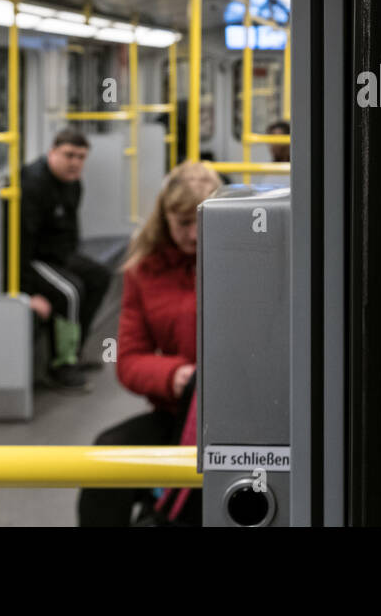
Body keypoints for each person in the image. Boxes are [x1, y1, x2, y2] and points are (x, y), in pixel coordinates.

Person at [77, 160, 222, 527]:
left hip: (233, 423)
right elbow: (129, 359)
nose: (193, 235)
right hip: (175, 414)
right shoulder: (144, 271)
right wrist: (173, 375)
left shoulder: (245, 263)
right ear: (165, 219)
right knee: (107, 456)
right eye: (183, 223)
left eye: (202, 221)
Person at [21, 129, 110, 391]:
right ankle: (61, 365)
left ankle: (74, 351)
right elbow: (20, 243)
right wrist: (26, 294)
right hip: (31, 259)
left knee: (99, 277)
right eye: (69, 155)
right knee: (70, 292)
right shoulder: (32, 186)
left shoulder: (73, 184)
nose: (75, 163)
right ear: (52, 152)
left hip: (58, 255)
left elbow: (70, 229)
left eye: (81, 157)